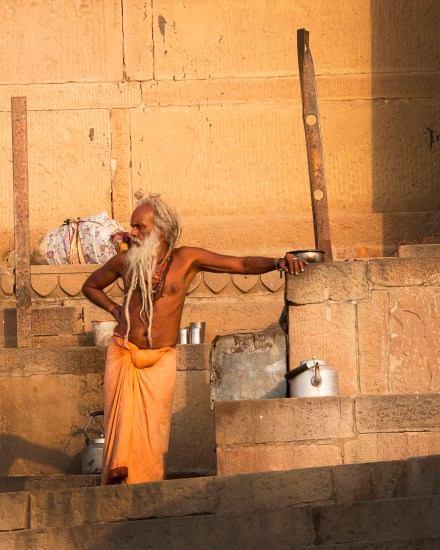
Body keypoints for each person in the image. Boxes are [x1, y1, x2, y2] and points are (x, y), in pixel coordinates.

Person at [82, 191, 307, 485]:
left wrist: (277, 262)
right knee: (118, 431)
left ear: (160, 228)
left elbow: (239, 264)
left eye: (140, 227)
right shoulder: (125, 261)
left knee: (153, 434)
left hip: (160, 359)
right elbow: (91, 286)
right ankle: (116, 493)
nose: (132, 232)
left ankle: (145, 490)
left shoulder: (186, 259)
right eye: (132, 226)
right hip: (123, 352)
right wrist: (115, 310)